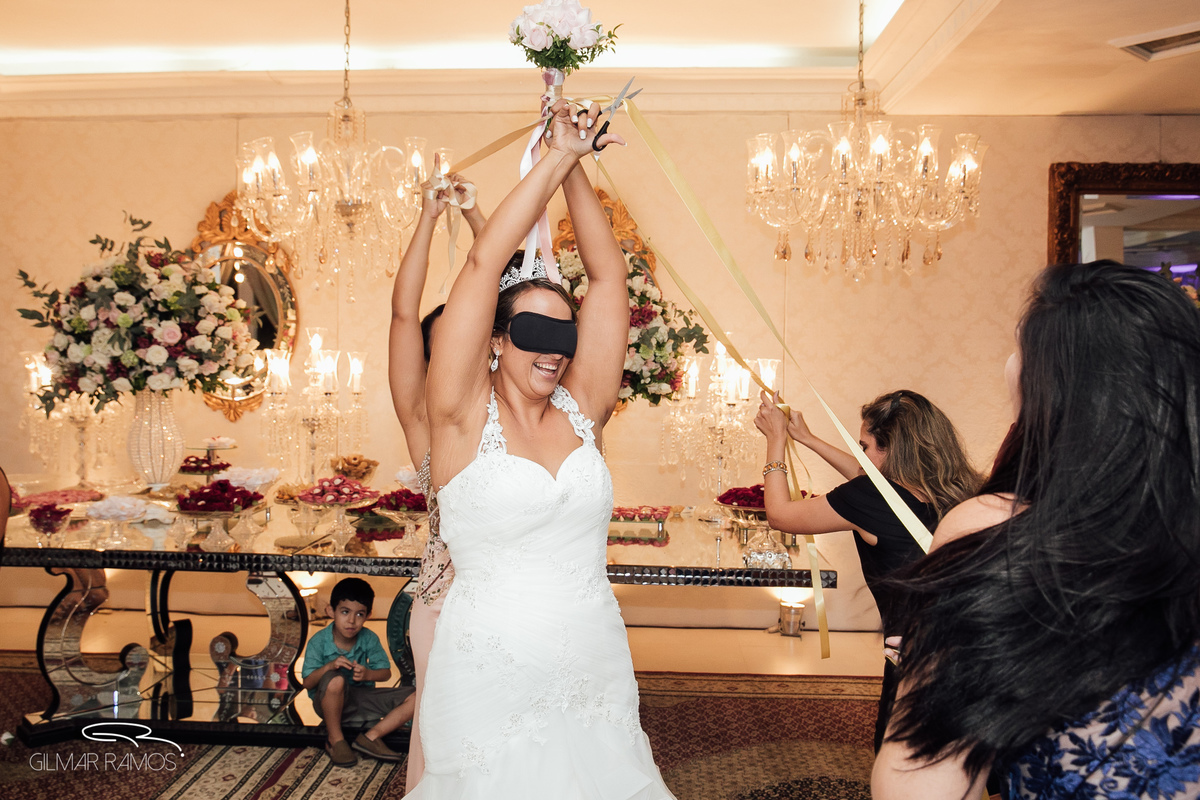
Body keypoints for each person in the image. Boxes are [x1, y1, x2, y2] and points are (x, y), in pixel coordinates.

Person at [405, 99, 675, 798]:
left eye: (566, 336)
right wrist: (552, 157)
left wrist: (578, 162)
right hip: (487, 663)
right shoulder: (458, 415)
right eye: (533, 333)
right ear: (495, 340)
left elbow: (609, 278)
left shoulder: (585, 408)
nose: (553, 352)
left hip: (592, 652)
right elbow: (481, 263)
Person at [872, 261, 1200, 800]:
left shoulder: (991, 529)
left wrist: (933, 668)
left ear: (1047, 387)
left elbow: (915, 790)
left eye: (1020, 348)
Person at [754, 389, 980, 751]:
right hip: (975, 649)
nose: (860, 454)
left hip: (917, 658)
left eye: (865, 445)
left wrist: (776, 441)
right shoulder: (958, 490)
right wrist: (808, 439)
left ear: (892, 450)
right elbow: (872, 479)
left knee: (905, 763)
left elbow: (782, 516)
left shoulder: (868, 499)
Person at [387, 172, 486, 787]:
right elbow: (402, 315)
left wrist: (479, 219)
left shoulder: (518, 414)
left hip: (516, 597)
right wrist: (427, 217)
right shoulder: (423, 418)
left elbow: (523, 288)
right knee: (445, 728)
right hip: (444, 599)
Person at [301, 577, 416, 767]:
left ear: (368, 615)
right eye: (345, 612)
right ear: (331, 611)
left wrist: (368, 674)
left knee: (418, 696)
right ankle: (336, 740)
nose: (352, 621)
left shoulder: (368, 638)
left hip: (362, 701)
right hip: (328, 703)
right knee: (336, 681)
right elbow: (307, 683)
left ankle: (371, 737)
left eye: (360, 614)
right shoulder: (319, 641)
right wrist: (329, 667)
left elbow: (385, 673)